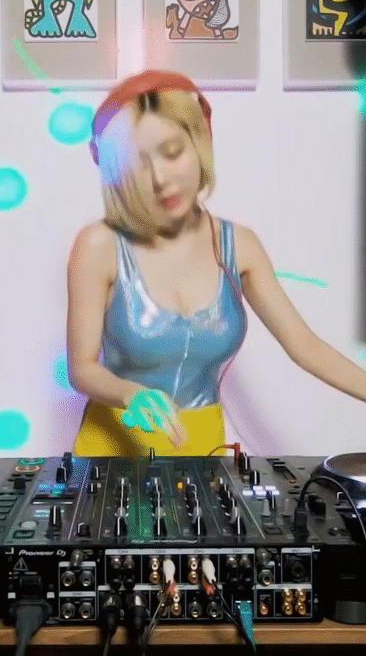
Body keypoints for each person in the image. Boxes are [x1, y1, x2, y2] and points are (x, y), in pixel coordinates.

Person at [67, 69, 366, 457]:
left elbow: (306, 347)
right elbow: (81, 368)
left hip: (203, 450)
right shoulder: (98, 245)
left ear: (201, 141)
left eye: (172, 153)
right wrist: (130, 393)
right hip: (112, 453)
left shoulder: (240, 245)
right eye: (138, 164)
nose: (160, 179)